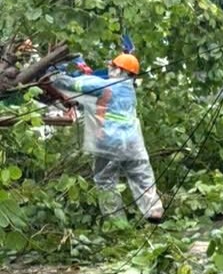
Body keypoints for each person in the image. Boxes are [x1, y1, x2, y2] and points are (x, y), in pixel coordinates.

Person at [51, 53, 164, 223]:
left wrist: (56, 75)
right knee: (142, 175)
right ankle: (154, 211)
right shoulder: (129, 89)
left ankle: (116, 223)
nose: (109, 68)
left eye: (113, 66)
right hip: (133, 142)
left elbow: (75, 84)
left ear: (121, 70)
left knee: (105, 181)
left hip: (109, 141)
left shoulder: (106, 85)